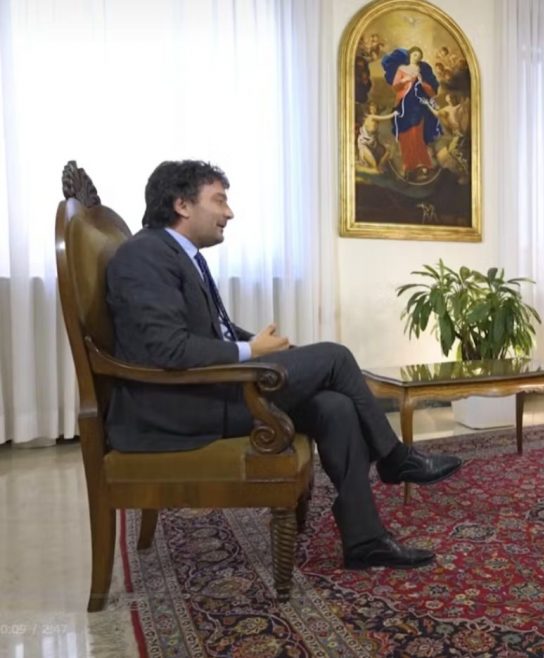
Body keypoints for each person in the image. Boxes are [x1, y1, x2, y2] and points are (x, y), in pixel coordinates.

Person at [105, 160, 463, 570]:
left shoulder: (175, 254)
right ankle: (395, 458)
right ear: (182, 205)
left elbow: (210, 332)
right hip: (177, 409)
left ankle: (365, 540)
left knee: (335, 406)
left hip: (203, 391)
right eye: (219, 200)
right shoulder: (145, 255)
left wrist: (260, 346)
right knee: (335, 356)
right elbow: (167, 350)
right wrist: (251, 351)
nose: (229, 212)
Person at [381, 46, 442, 179]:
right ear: (410, 56)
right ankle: (409, 165)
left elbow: (429, 90)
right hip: (405, 104)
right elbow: (395, 87)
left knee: (417, 133)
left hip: (418, 104)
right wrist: (404, 80)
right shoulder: (402, 69)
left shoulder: (421, 71)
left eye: (419, 56)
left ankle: (423, 163)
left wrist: (422, 83)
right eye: (415, 55)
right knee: (405, 135)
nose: (416, 58)